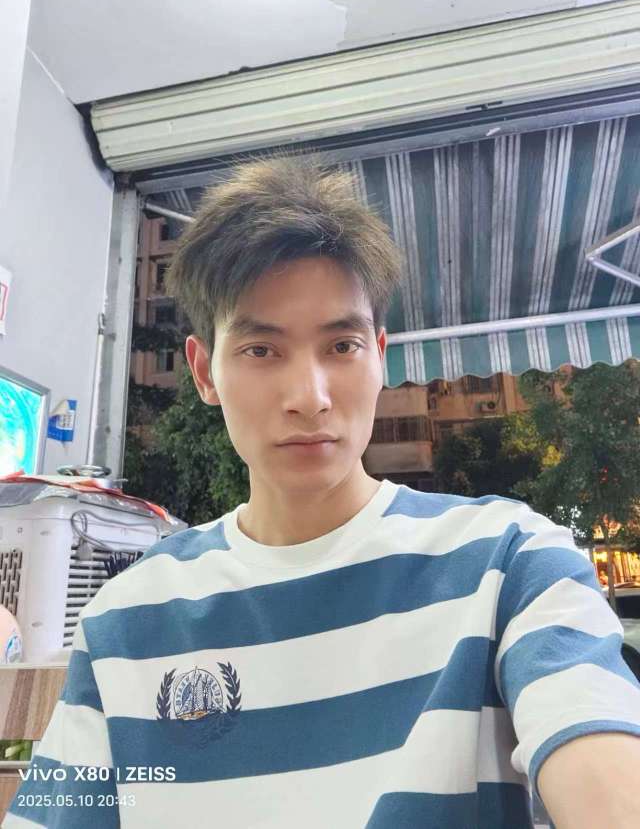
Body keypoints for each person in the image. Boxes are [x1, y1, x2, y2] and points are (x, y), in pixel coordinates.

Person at [6, 155, 640, 829]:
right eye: (261, 350)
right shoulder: (126, 618)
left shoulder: (510, 564)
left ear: (380, 356)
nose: (309, 397)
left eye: (341, 346)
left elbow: (601, 762)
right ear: (204, 371)